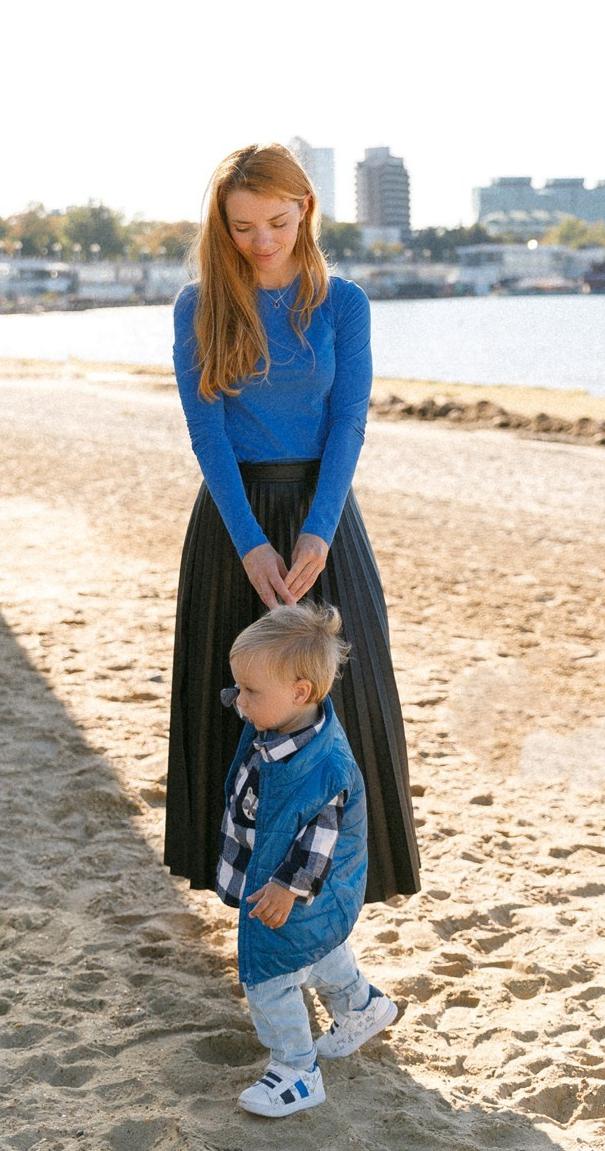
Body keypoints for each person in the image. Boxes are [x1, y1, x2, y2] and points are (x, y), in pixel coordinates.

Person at [165, 142, 419, 904]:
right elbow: (207, 433)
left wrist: (318, 530)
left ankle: (342, 886)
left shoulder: (343, 302)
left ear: (305, 209)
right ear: (221, 223)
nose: (262, 241)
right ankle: (242, 887)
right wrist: (248, 545)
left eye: (277, 222)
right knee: (237, 703)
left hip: (323, 519)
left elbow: (348, 422)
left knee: (348, 699)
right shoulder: (198, 305)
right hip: (233, 524)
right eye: (242, 226)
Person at [219, 603, 399, 1118]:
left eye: (250, 691)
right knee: (316, 947)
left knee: (270, 979)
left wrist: (287, 887)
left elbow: (319, 842)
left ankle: (297, 1072)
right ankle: (362, 1006)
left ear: (300, 693)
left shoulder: (323, 769)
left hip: (291, 889)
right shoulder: (281, 725)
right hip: (289, 888)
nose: (238, 701)